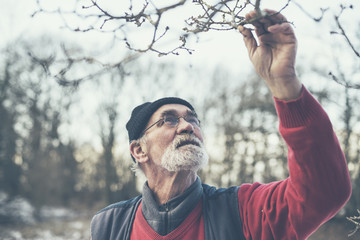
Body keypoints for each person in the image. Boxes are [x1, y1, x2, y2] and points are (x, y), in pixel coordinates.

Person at [90, 9, 352, 240]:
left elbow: (323, 190)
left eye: (193, 119)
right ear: (139, 150)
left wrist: (286, 85)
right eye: (169, 119)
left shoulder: (244, 211)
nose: (187, 126)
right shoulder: (110, 225)